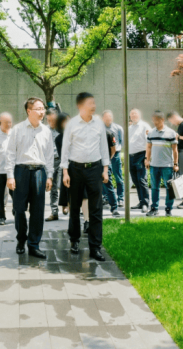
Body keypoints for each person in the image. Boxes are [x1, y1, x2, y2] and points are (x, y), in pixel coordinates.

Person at [61, 92, 110, 262]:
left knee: (96, 209)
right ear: (80, 106)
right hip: (75, 170)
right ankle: (74, 240)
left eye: (94, 103)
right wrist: (65, 172)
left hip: (95, 169)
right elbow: (65, 148)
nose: (94, 106)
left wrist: (105, 169)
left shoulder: (99, 124)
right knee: (74, 207)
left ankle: (95, 247)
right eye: (90, 103)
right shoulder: (72, 124)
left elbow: (104, 147)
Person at [6, 98, 55, 258]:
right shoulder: (17, 129)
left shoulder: (46, 131)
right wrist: (10, 176)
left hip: (39, 172)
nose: (42, 112)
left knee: (38, 210)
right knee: (19, 209)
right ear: (29, 111)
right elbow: (10, 154)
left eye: (43, 109)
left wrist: (50, 176)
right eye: (38, 109)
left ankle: (34, 245)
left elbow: (49, 156)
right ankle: (21, 239)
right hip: (21, 171)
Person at [145, 111, 179, 217]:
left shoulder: (171, 133)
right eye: (153, 120)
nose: (154, 122)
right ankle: (154, 208)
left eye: (157, 120)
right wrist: (147, 159)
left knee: (169, 188)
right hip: (154, 165)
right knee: (154, 188)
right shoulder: (151, 133)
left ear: (162, 120)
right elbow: (149, 147)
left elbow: (175, 150)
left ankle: (168, 209)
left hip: (167, 166)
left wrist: (175, 164)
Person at [128, 109, 152, 212]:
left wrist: (147, 158)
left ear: (140, 115)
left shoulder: (144, 126)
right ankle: (141, 202)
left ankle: (145, 204)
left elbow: (149, 143)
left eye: (135, 113)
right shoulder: (129, 128)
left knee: (142, 180)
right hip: (131, 156)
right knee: (135, 180)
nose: (133, 115)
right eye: (132, 114)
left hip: (141, 155)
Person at [102, 110, 125, 207]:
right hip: (104, 156)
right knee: (104, 177)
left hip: (115, 155)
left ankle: (121, 198)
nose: (108, 118)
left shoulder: (118, 128)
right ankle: (106, 198)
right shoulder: (100, 128)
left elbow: (121, 141)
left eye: (110, 116)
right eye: (106, 116)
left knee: (118, 177)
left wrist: (115, 151)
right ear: (103, 118)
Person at [45, 109, 62, 221]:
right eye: (49, 120)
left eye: (53, 120)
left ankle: (66, 206)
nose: (51, 122)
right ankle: (54, 212)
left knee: (64, 185)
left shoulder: (62, 129)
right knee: (53, 187)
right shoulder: (44, 131)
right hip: (50, 161)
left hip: (62, 160)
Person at [55, 113, 71, 215]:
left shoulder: (75, 134)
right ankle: (65, 204)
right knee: (65, 184)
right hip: (66, 164)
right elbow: (61, 154)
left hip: (77, 163)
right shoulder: (58, 138)